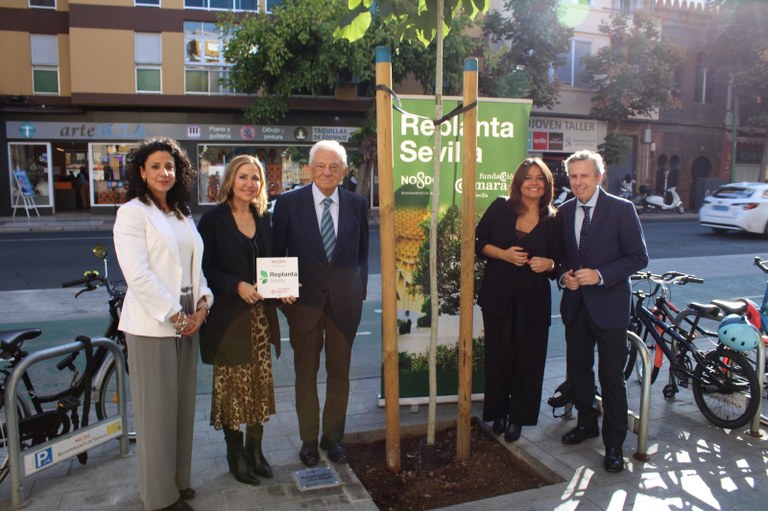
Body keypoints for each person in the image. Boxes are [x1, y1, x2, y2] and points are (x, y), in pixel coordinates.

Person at [113, 137, 212, 511]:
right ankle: (159, 498)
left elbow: (194, 267)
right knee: (156, 414)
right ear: (142, 171)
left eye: (169, 166)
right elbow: (137, 275)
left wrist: (202, 304)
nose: (163, 172)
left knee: (182, 408)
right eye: (155, 166)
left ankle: (178, 482)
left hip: (188, 314)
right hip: (154, 321)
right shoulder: (132, 213)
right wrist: (176, 315)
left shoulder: (181, 213)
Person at [272, 140, 369, 467]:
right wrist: (281, 293)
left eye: (334, 167)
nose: (327, 172)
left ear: (344, 171)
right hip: (303, 306)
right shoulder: (288, 204)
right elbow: (276, 253)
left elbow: (362, 255)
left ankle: (333, 438)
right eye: (321, 166)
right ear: (310, 169)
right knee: (306, 376)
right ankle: (309, 440)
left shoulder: (357, 204)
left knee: (339, 375)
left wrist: (358, 290)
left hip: (345, 305)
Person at [557, 149, 648, 474]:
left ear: (599, 177)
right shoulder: (564, 212)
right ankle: (587, 423)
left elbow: (638, 258)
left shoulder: (621, 209)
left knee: (611, 378)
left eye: (584, 175)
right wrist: (564, 276)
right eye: (573, 176)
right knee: (578, 371)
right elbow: (560, 257)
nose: (578, 182)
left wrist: (600, 275)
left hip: (610, 306)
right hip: (576, 306)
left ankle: (614, 445)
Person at [197, 155, 285, 486]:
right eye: (243, 177)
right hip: (228, 319)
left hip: (260, 319)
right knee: (233, 391)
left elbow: (271, 264)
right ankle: (235, 455)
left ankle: (255, 451)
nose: (250, 183)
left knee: (260, 387)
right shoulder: (213, 220)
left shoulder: (263, 217)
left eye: (255, 178)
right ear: (230, 181)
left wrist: (283, 289)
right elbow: (203, 269)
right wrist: (235, 284)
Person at [475, 157, 561, 443]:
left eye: (540, 178)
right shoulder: (501, 207)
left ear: (547, 184)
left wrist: (549, 264)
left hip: (534, 300)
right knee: (498, 357)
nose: (534, 183)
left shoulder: (555, 218)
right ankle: (498, 412)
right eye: (528, 177)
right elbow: (478, 241)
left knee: (529, 360)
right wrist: (504, 254)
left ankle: (518, 417)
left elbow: (561, 261)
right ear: (518, 182)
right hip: (498, 295)